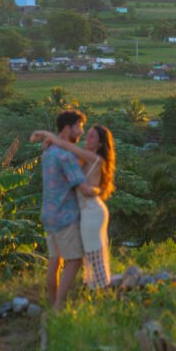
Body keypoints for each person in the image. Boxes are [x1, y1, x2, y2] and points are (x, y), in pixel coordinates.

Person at [31, 124, 115, 290]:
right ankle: (99, 294)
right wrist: (51, 144)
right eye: (87, 134)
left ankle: (102, 293)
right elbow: (64, 156)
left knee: (94, 255)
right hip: (86, 212)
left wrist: (45, 133)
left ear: (99, 144)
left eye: (92, 136)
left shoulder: (95, 159)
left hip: (92, 212)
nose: (87, 138)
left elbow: (68, 146)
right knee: (90, 255)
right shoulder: (82, 159)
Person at [39, 110, 98, 311]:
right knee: (73, 261)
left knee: (54, 261)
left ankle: (51, 303)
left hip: (48, 214)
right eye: (79, 126)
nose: (81, 132)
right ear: (68, 128)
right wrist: (101, 189)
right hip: (65, 216)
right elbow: (84, 188)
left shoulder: (48, 151)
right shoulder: (66, 156)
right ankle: (58, 308)